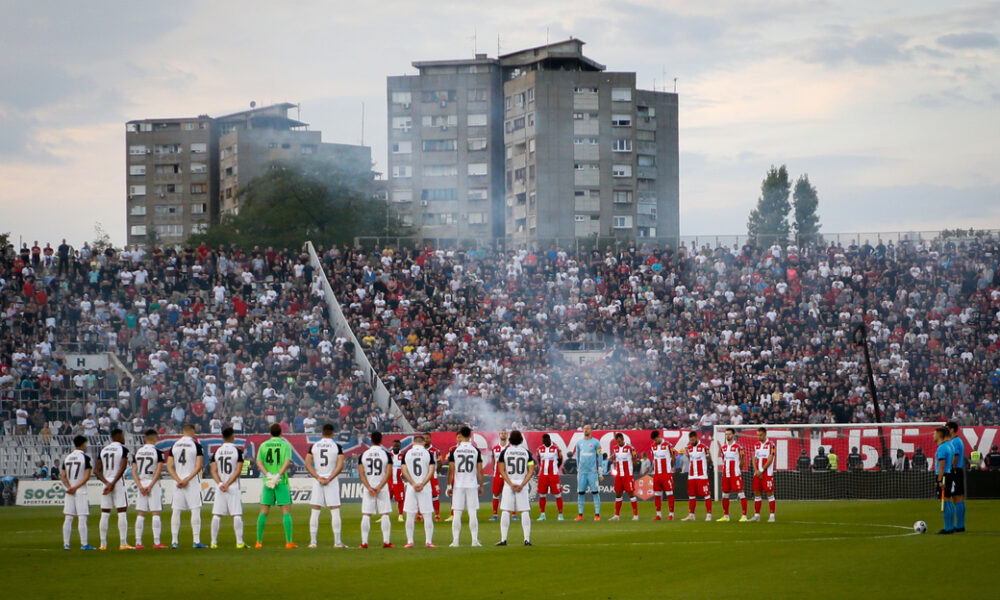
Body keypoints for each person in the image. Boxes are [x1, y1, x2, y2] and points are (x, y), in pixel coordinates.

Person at [304, 423, 346, 548]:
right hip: (331, 481)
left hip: (318, 481)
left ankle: (313, 542)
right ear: (333, 433)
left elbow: (307, 464)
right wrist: (330, 478)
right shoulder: (337, 446)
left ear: (322, 433)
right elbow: (340, 465)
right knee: (335, 510)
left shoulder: (314, 446)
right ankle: (337, 542)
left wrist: (318, 477)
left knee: (315, 511)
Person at [255, 423, 296, 549]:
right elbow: (287, 461)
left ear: (270, 432)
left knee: (263, 511)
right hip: (281, 482)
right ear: (281, 432)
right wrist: (278, 475)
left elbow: (259, 462)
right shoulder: (285, 445)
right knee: (286, 512)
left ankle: (258, 542)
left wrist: (268, 474)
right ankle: (289, 542)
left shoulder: (263, 445)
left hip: (268, 482)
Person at [167, 424, 206, 548]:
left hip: (177, 482)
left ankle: (174, 541)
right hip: (192, 481)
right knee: (195, 509)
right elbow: (199, 466)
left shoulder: (174, 445)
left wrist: (179, 479)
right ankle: (196, 541)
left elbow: (169, 466)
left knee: (176, 510)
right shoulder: (197, 445)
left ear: (182, 431)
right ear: (193, 431)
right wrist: (187, 479)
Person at [95, 428, 133, 550]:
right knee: (121, 511)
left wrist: (107, 483)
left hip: (105, 484)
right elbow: (122, 468)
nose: (124, 438)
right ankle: (123, 543)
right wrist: (113, 483)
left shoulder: (103, 450)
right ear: (119, 436)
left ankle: (103, 544)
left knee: (105, 513)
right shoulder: (123, 449)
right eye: (123, 435)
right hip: (117, 483)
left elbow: (96, 470)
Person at [496, 430, 535, 546]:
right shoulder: (527, 453)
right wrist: (522, 484)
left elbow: (501, 470)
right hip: (522, 484)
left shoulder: (505, 452)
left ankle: (503, 539)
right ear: (521, 440)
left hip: (509, 484)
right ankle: (527, 539)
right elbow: (531, 471)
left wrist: (510, 483)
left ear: (510, 439)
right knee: (524, 511)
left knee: (506, 511)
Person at [209, 427, 245, 549]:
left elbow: (213, 471)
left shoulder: (217, 452)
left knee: (217, 514)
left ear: (222, 437)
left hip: (220, 487)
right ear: (233, 436)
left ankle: (213, 542)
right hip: (233, 486)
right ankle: (239, 542)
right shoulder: (237, 451)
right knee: (237, 514)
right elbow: (238, 470)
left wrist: (220, 484)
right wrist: (228, 484)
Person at [447, 425, 484, 546]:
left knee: (457, 512)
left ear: (461, 436)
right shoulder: (475, 450)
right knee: (472, 512)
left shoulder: (454, 451)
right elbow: (480, 470)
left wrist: (449, 486)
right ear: (470, 435)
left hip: (459, 485)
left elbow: (451, 470)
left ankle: (455, 541)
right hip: (472, 484)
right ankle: (474, 540)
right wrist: (481, 485)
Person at [358, 431, 393, 549]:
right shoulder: (386, 454)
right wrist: (379, 487)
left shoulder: (363, 454)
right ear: (381, 440)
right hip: (382, 487)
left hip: (368, 488)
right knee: (384, 514)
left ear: (371, 440)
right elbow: (388, 473)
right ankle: (386, 541)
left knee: (366, 514)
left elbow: (361, 473)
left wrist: (369, 487)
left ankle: (364, 542)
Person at [61, 435, 96, 550]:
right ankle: (84, 544)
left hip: (69, 491)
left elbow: (63, 476)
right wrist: (75, 487)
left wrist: (69, 487)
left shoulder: (67, 458)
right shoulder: (85, 458)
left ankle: (66, 544)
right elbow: (86, 477)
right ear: (83, 444)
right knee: (82, 517)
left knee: (69, 517)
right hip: (80, 490)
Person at [132, 429, 166, 549]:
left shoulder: (137, 452)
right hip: (153, 482)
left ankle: (138, 543)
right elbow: (159, 470)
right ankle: (157, 542)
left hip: (142, 482)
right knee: (155, 512)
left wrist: (140, 485)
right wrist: (151, 485)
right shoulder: (158, 452)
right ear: (155, 439)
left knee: (141, 514)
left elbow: (133, 471)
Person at [401, 434, 436, 548]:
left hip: (411, 487)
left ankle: (410, 541)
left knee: (410, 515)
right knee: (427, 515)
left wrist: (412, 483)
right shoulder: (428, 453)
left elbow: (404, 471)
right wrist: (423, 484)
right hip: (424, 487)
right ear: (423, 443)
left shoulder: (407, 453)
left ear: (414, 442)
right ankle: (428, 541)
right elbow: (431, 471)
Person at [681, 431, 713, 521]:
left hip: (702, 476)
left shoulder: (704, 447)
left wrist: (707, 468)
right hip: (691, 476)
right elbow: (690, 459)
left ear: (696, 438)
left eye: (693, 440)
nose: (691, 442)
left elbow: (709, 459)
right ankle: (691, 515)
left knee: (706, 495)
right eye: (690, 440)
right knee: (691, 495)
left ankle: (709, 515)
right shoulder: (688, 448)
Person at [718, 427, 748, 522]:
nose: (728, 436)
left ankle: (744, 516)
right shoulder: (723, 448)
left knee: (741, 494)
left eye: (729, 434)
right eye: (726, 434)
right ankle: (726, 516)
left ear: (733, 435)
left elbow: (742, 460)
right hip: (726, 474)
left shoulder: (738, 447)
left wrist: (738, 470)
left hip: (735, 474)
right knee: (725, 495)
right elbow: (724, 459)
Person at [574, 425, 603, 521]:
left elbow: (600, 455)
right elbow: (578, 456)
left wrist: (600, 469)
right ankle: (580, 515)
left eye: (588, 428)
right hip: (582, 472)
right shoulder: (579, 443)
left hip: (592, 472)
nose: (586, 430)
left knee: (595, 492)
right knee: (581, 493)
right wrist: (578, 468)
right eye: (584, 428)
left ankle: (597, 514)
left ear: (591, 430)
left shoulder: (596, 442)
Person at [609, 432, 639, 521]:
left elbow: (635, 461)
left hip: (627, 475)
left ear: (622, 439)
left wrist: (630, 471)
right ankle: (616, 515)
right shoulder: (615, 448)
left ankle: (636, 515)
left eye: (619, 441)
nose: (618, 443)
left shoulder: (630, 448)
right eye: (616, 441)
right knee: (618, 494)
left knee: (631, 493)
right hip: (619, 475)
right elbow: (614, 458)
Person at [535, 433, 564, 521]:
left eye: (546, 440)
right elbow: (539, 460)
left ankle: (560, 514)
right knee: (542, 494)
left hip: (553, 475)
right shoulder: (539, 449)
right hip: (543, 475)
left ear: (550, 440)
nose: (545, 442)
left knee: (558, 494)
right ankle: (542, 514)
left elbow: (560, 460)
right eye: (544, 440)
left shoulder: (556, 449)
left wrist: (555, 468)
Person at [750, 427, 776, 522]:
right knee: (757, 493)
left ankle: (772, 516)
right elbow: (753, 458)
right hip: (757, 474)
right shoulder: (756, 445)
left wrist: (762, 470)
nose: (759, 437)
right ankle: (757, 515)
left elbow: (770, 458)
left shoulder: (771, 445)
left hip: (767, 474)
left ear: (765, 434)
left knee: (769, 493)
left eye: (760, 435)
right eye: (757, 435)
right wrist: (756, 470)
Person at [649, 430, 677, 521]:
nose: (655, 441)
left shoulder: (668, 445)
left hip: (666, 474)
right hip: (657, 474)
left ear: (659, 436)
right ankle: (658, 515)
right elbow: (654, 459)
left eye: (656, 439)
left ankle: (671, 514)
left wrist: (671, 467)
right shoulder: (653, 446)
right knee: (657, 494)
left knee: (669, 493)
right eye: (654, 440)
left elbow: (673, 457)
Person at [934, 426, 956, 535]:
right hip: (949, 474)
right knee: (948, 500)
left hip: (944, 475)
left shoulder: (942, 447)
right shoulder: (950, 445)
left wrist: (939, 480)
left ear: (940, 435)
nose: (933, 436)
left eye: (935, 434)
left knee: (945, 501)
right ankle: (950, 526)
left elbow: (941, 466)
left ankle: (947, 528)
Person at [946, 421, 966, 533]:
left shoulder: (955, 442)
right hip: (958, 470)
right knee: (959, 498)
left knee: (957, 498)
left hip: (955, 471)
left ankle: (959, 525)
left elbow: (955, 456)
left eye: (947, 428)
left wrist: (951, 469)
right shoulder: (958, 441)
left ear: (952, 429)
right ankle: (960, 524)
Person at [489, 430, 508, 521]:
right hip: (497, 474)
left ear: (507, 435)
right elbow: (493, 460)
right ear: (499, 435)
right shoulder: (495, 448)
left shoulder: (510, 448)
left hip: (508, 475)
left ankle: (514, 514)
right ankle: (495, 514)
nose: (503, 434)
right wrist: (495, 469)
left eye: (505, 433)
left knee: (509, 494)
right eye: (501, 433)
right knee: (496, 494)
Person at [423, 433, 443, 522]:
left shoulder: (436, 451)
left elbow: (440, 464)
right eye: (424, 438)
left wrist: (435, 473)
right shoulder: (420, 451)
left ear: (430, 439)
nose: (425, 440)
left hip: (433, 476)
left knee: (435, 495)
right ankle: (420, 515)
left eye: (427, 438)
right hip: (422, 476)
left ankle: (437, 515)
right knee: (422, 494)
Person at [388, 439, 406, 522]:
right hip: (389, 481)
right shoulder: (388, 455)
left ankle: (400, 516)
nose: (395, 447)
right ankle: (384, 516)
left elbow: (406, 467)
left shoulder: (403, 456)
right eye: (394, 446)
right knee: (387, 499)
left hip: (399, 481)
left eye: (397, 446)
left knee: (400, 499)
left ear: (400, 446)